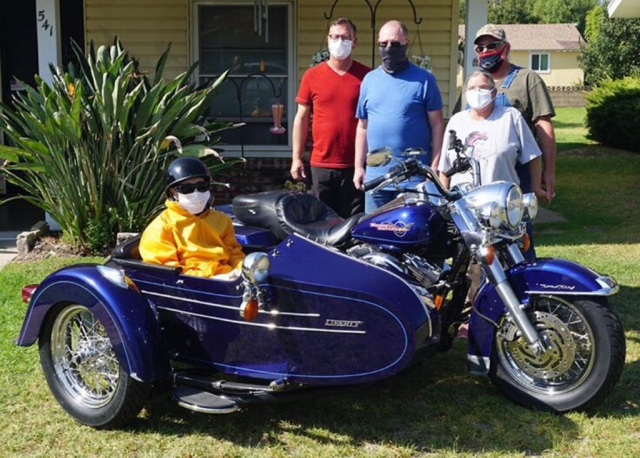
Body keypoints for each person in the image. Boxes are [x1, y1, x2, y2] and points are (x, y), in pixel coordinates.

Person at [353, 20, 445, 212]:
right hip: (376, 179)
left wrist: (434, 167)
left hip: (413, 178)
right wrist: (358, 167)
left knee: (412, 235)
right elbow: (362, 126)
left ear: (406, 44)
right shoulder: (369, 80)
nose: (388, 49)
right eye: (383, 44)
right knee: (376, 234)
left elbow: (437, 125)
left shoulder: (424, 80)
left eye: (395, 44)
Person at [291, 17, 370, 218]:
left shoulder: (367, 77)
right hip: (321, 166)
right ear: (327, 40)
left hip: (356, 166)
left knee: (353, 224)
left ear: (354, 41)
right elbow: (301, 118)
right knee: (319, 224)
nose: (339, 42)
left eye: (345, 37)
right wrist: (296, 157)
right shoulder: (312, 76)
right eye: (335, 37)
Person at [473, 24, 556, 203]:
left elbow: (544, 126)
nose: (486, 50)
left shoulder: (526, 78)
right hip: (478, 176)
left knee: (517, 227)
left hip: (518, 173)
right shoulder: (474, 84)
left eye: (492, 45)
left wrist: (548, 171)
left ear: (506, 47)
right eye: (480, 48)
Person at [439, 70, 544, 198]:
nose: (477, 92)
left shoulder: (511, 117)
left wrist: (536, 187)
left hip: (501, 200)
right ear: (466, 94)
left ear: (494, 93)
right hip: (463, 203)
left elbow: (533, 155)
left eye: (483, 88)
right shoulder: (456, 121)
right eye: (472, 88)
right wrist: (443, 198)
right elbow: (445, 167)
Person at [139, 157, 245, 279]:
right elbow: (166, 271)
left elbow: (235, 254)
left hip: (229, 279)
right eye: (187, 189)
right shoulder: (160, 227)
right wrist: (211, 279)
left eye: (202, 186)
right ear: (173, 192)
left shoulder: (222, 220)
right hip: (191, 287)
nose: (196, 193)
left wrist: (241, 272)